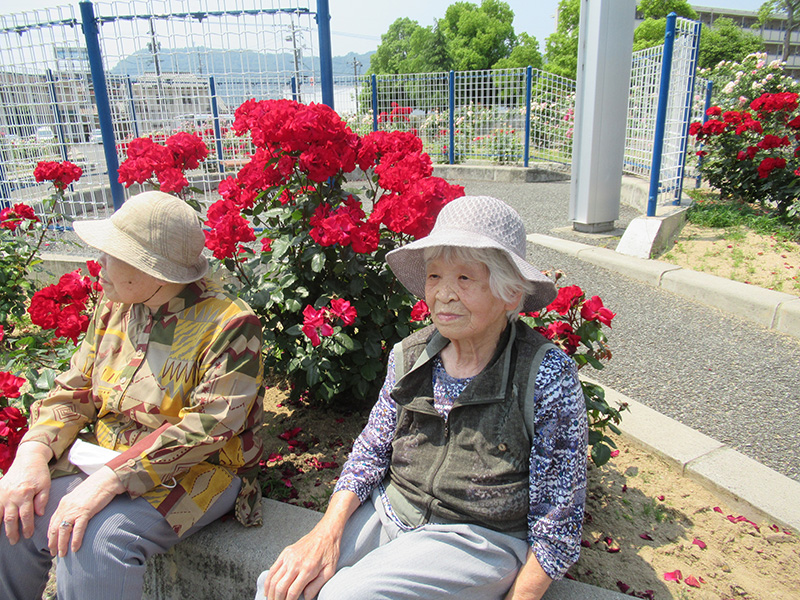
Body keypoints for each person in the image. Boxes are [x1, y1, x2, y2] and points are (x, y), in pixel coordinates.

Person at [256, 195, 587, 600]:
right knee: (280, 586)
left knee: (347, 596)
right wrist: (324, 533)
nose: (444, 294)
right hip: (393, 510)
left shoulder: (545, 374)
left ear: (511, 294)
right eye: (434, 276)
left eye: (464, 278)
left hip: (479, 538)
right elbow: (370, 453)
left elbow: (558, 518)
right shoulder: (410, 355)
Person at [0, 191, 265, 600]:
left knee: (96, 542)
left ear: (153, 269)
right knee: (15, 510)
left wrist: (112, 479)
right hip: (106, 456)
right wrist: (32, 453)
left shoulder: (229, 324)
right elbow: (75, 388)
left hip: (203, 469)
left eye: (113, 253)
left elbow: (209, 427)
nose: (99, 262)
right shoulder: (115, 306)